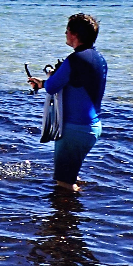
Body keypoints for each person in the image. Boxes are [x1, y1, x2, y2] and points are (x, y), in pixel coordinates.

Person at [27, 14, 107, 192]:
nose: (65, 32)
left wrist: (44, 83)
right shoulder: (99, 58)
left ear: (75, 34)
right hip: (92, 127)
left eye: (67, 30)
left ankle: (67, 216)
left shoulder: (74, 60)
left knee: (64, 183)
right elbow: (74, 83)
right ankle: (82, 207)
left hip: (74, 130)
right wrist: (43, 83)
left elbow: (53, 87)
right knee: (72, 174)